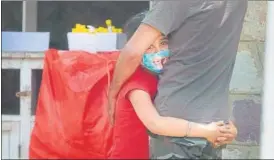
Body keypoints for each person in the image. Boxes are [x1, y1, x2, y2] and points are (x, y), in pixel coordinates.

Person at [108, 1, 247, 159]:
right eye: (149, 47)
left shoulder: (157, 77)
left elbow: (132, 52)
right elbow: (155, 124)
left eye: (163, 43)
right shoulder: (137, 86)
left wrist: (230, 128)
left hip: (190, 137)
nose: (158, 52)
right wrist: (206, 131)